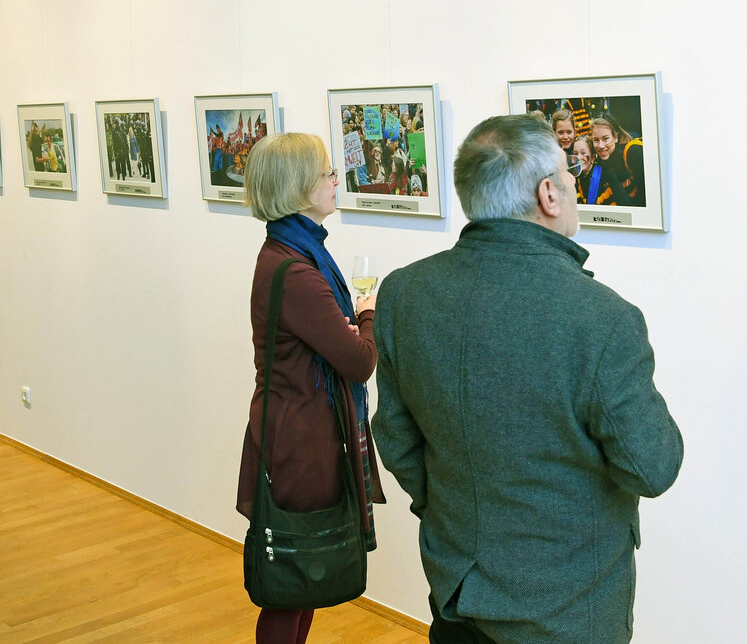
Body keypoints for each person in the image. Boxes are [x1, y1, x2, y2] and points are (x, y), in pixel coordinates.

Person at [372, 114, 683, 643]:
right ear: (549, 194)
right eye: (568, 173)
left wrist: (452, 511)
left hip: (457, 588)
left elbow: (396, 437)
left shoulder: (404, 293)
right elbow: (651, 467)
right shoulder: (602, 319)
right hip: (568, 607)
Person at [235, 133, 384, 644]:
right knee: (292, 581)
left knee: (304, 575)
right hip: (301, 440)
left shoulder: (288, 253)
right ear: (299, 188)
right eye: (327, 174)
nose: (336, 181)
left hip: (297, 428)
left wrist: (346, 325)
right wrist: (367, 314)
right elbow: (359, 362)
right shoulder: (297, 270)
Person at [590, 114, 645, 207]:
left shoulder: (632, 152)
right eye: (596, 140)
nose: (600, 145)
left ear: (615, 137)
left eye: (605, 139)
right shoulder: (601, 162)